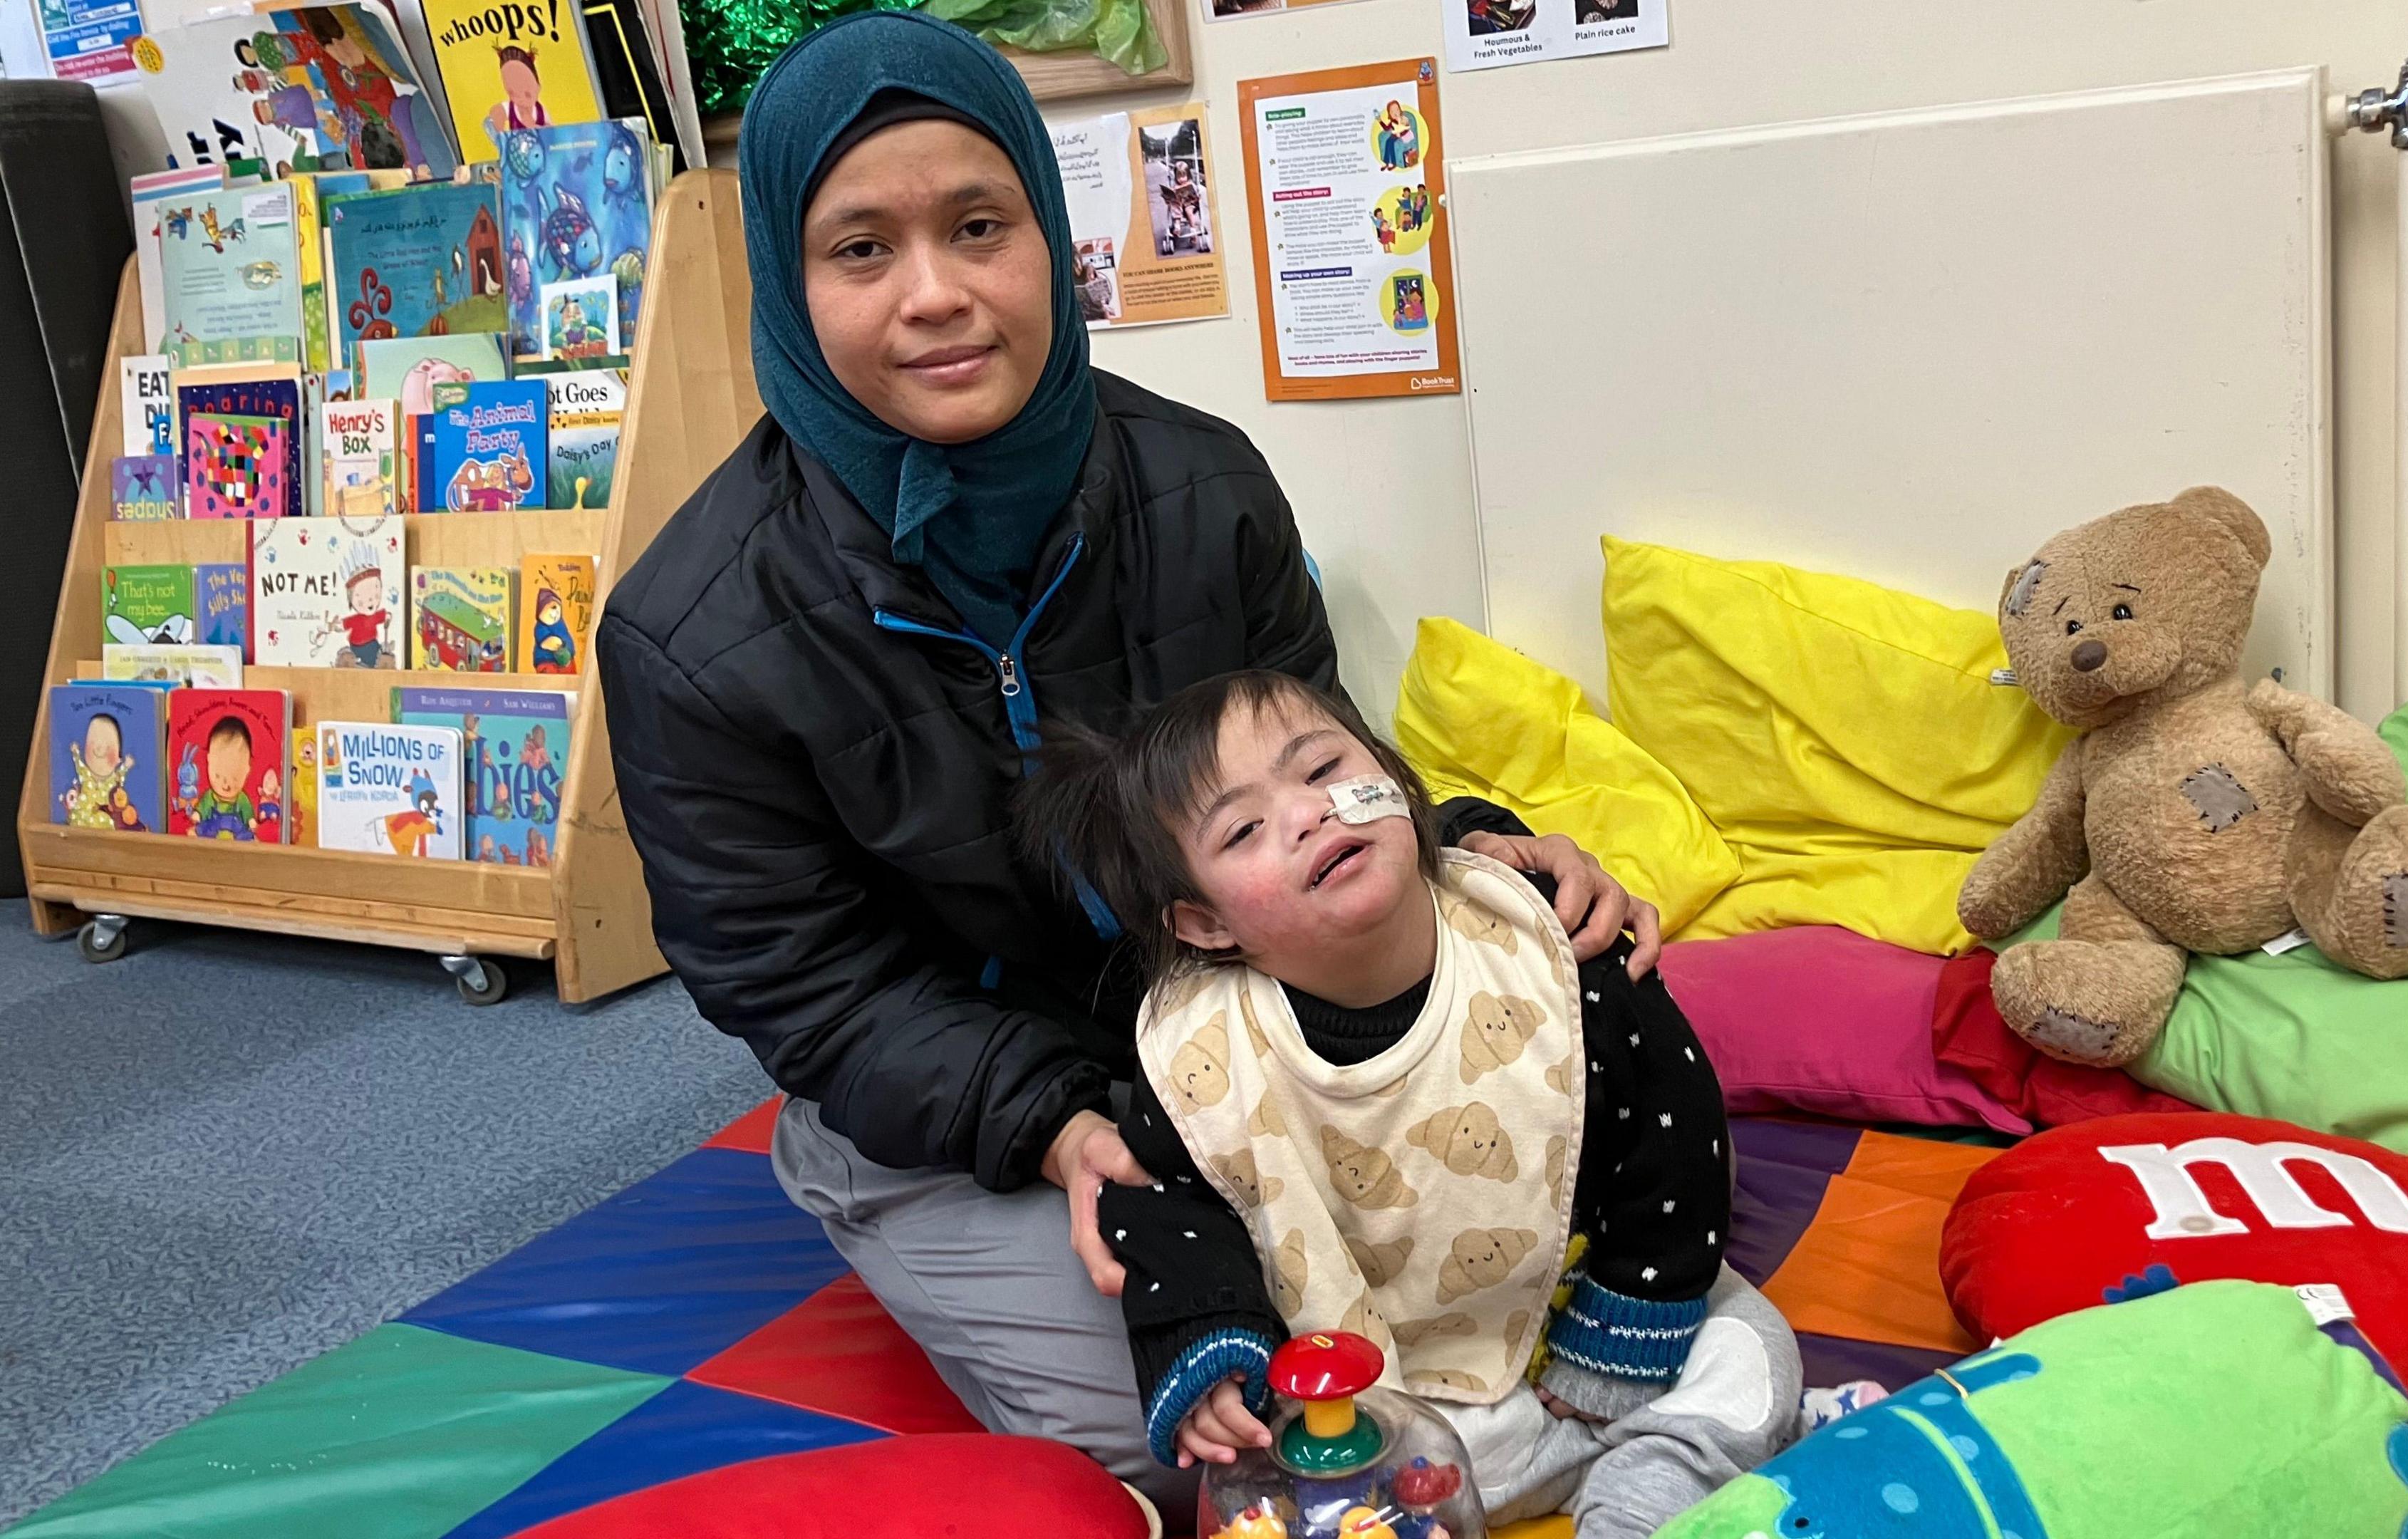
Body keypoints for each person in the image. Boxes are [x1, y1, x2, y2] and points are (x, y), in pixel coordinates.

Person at [597, 11, 1661, 1515]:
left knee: (1578, 1223)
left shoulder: (1200, 479)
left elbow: (1315, 757)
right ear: (786, 275)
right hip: (968, 1121)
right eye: (861, 251)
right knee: (1237, 1426)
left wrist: (1464, 850)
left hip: (1247, 1015)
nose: (938, 297)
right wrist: (1052, 1118)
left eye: (981, 226)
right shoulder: (691, 633)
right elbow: (796, 980)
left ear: (1050, 228)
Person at [1015, 670, 1803, 1537]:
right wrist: (1205, 1344)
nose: (1312, 813)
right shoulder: (1204, 1053)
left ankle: (1639, 1507)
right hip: (1393, 1401)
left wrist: (1622, 1328)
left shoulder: (1539, 942)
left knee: (1748, 1346)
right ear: (1204, 925)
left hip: (1577, 1322)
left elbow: (1674, 1123)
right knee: (1259, 1471)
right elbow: (1168, 1204)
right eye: (1244, 828)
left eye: (1323, 770)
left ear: (1395, 778)